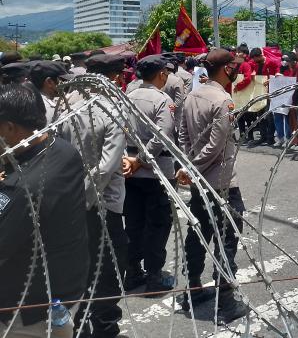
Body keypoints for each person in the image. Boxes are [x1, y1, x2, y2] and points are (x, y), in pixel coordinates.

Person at [0, 84, 89, 338]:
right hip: (64, 291)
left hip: (25, 312)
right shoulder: (62, 149)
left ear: (9, 128)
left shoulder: (21, 188)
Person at [176, 49, 250, 323]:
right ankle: (227, 303)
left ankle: (192, 287)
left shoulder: (192, 95)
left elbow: (183, 133)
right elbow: (217, 145)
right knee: (227, 239)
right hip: (221, 183)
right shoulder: (223, 100)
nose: (237, 70)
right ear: (226, 68)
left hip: (198, 181)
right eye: (234, 66)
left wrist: (187, 164)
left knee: (198, 233)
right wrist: (194, 166)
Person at [62, 54, 128, 338]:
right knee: (109, 269)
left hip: (71, 199)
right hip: (101, 203)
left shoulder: (68, 106)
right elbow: (106, 166)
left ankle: (76, 323)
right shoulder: (111, 109)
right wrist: (86, 199)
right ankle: (104, 326)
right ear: (112, 77)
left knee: (80, 266)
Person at [121, 55, 176, 295]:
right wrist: (142, 160)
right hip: (157, 171)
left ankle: (132, 271)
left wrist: (131, 160)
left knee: (133, 223)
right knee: (158, 224)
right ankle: (154, 276)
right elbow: (162, 135)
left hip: (130, 169)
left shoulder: (128, 96)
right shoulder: (162, 100)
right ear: (161, 74)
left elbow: (119, 129)